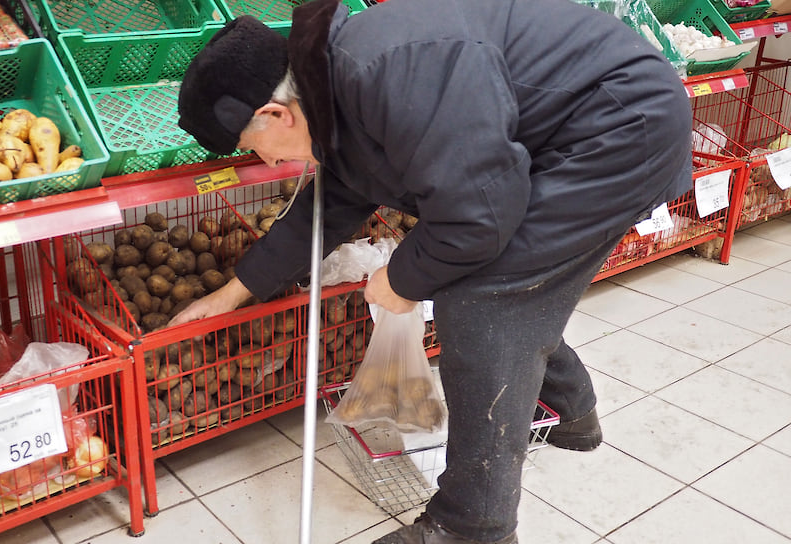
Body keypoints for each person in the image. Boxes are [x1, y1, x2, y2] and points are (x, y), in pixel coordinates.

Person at [170, 0, 693, 541]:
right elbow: (333, 202)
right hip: (574, 130)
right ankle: (572, 409)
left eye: (252, 147)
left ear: (276, 115)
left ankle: (473, 525)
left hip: (622, 127)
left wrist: (400, 280)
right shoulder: (335, 88)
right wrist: (234, 291)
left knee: (484, 298)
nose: (269, 163)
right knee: (514, 285)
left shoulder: (392, 76)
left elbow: (481, 218)